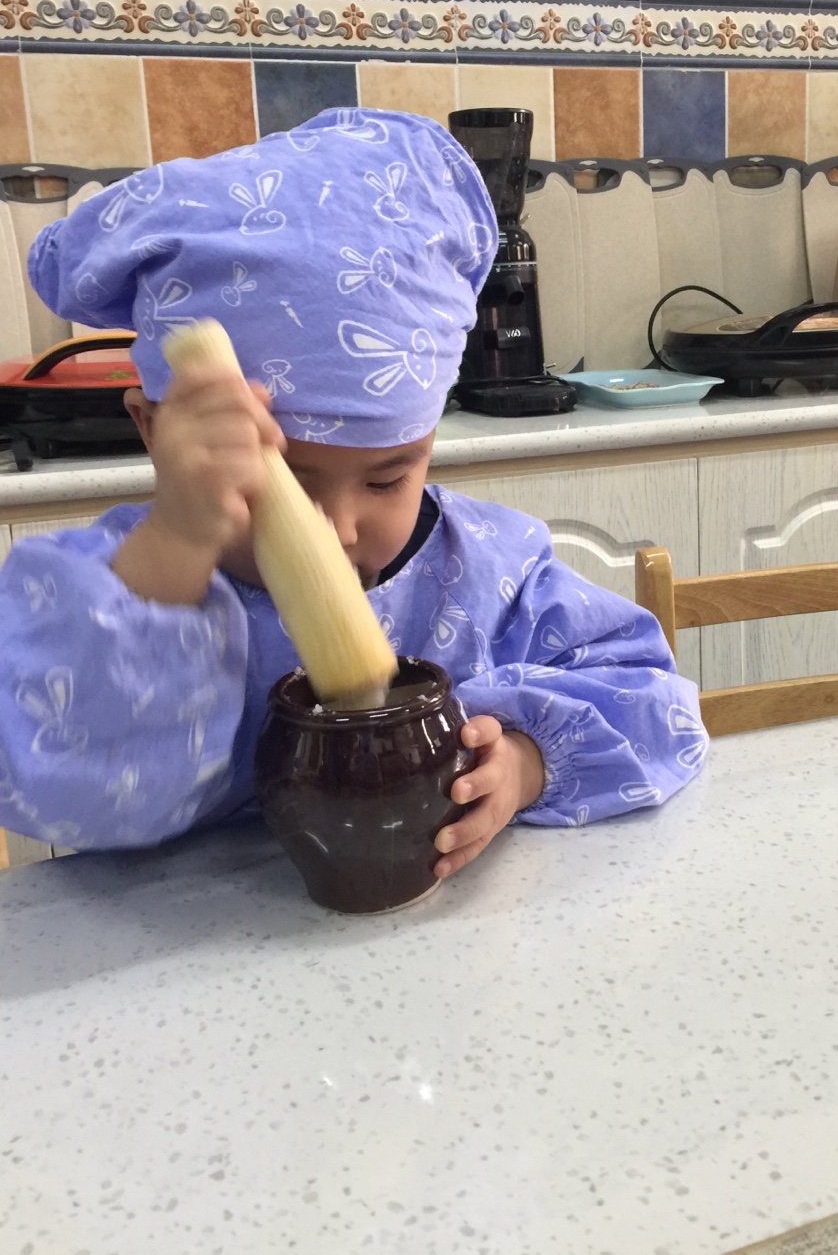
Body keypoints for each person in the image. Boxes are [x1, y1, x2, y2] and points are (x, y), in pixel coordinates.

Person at [0, 108, 707, 877]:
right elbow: (50, 779)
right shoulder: (103, 583)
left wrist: (527, 762)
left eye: (387, 477)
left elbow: (654, 700)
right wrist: (175, 547)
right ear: (154, 432)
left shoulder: (489, 573)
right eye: (282, 482)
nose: (339, 528)